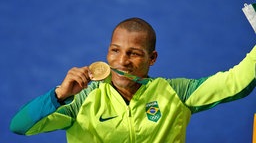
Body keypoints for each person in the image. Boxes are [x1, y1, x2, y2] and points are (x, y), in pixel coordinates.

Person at [10, 17, 256, 143]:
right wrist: (59, 96)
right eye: (115, 51)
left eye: (134, 53)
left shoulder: (176, 93)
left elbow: (237, 82)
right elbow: (19, 126)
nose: (122, 62)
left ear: (152, 58)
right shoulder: (81, 99)